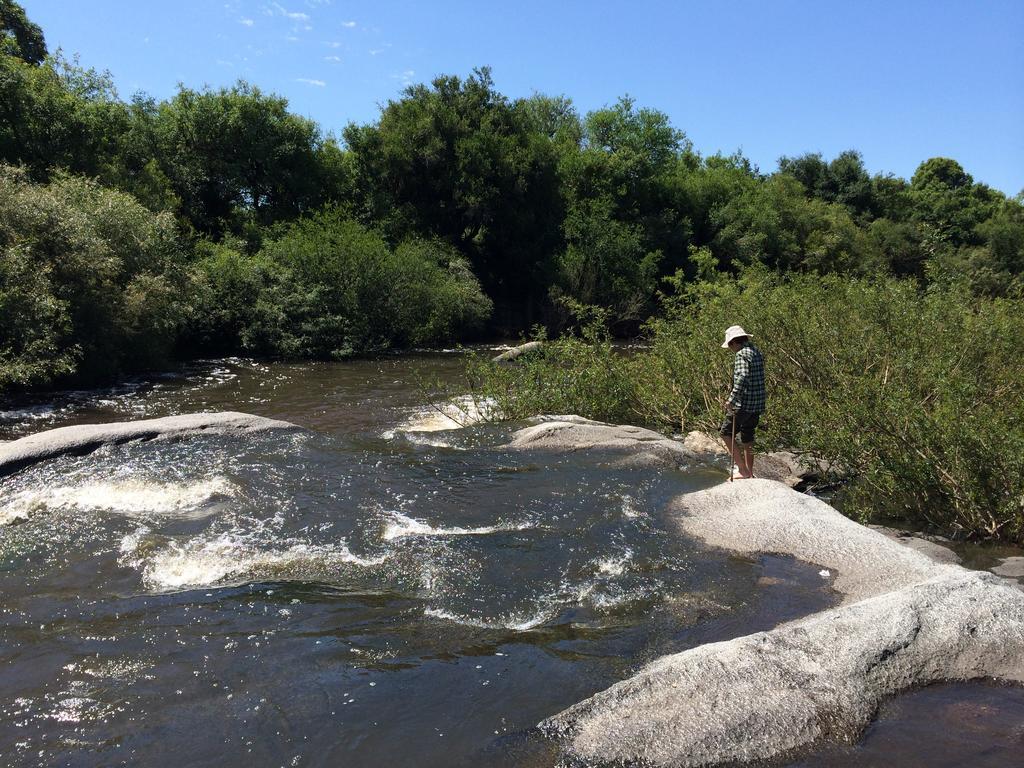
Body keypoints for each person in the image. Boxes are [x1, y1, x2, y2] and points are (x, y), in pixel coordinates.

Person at [719, 325, 765, 480]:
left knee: (725, 433)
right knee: (748, 436)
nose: (730, 349)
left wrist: (731, 400)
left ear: (733, 342)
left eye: (730, 346)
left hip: (743, 404)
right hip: (757, 403)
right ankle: (750, 472)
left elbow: (742, 377)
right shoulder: (756, 352)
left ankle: (742, 470)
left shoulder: (741, 354)